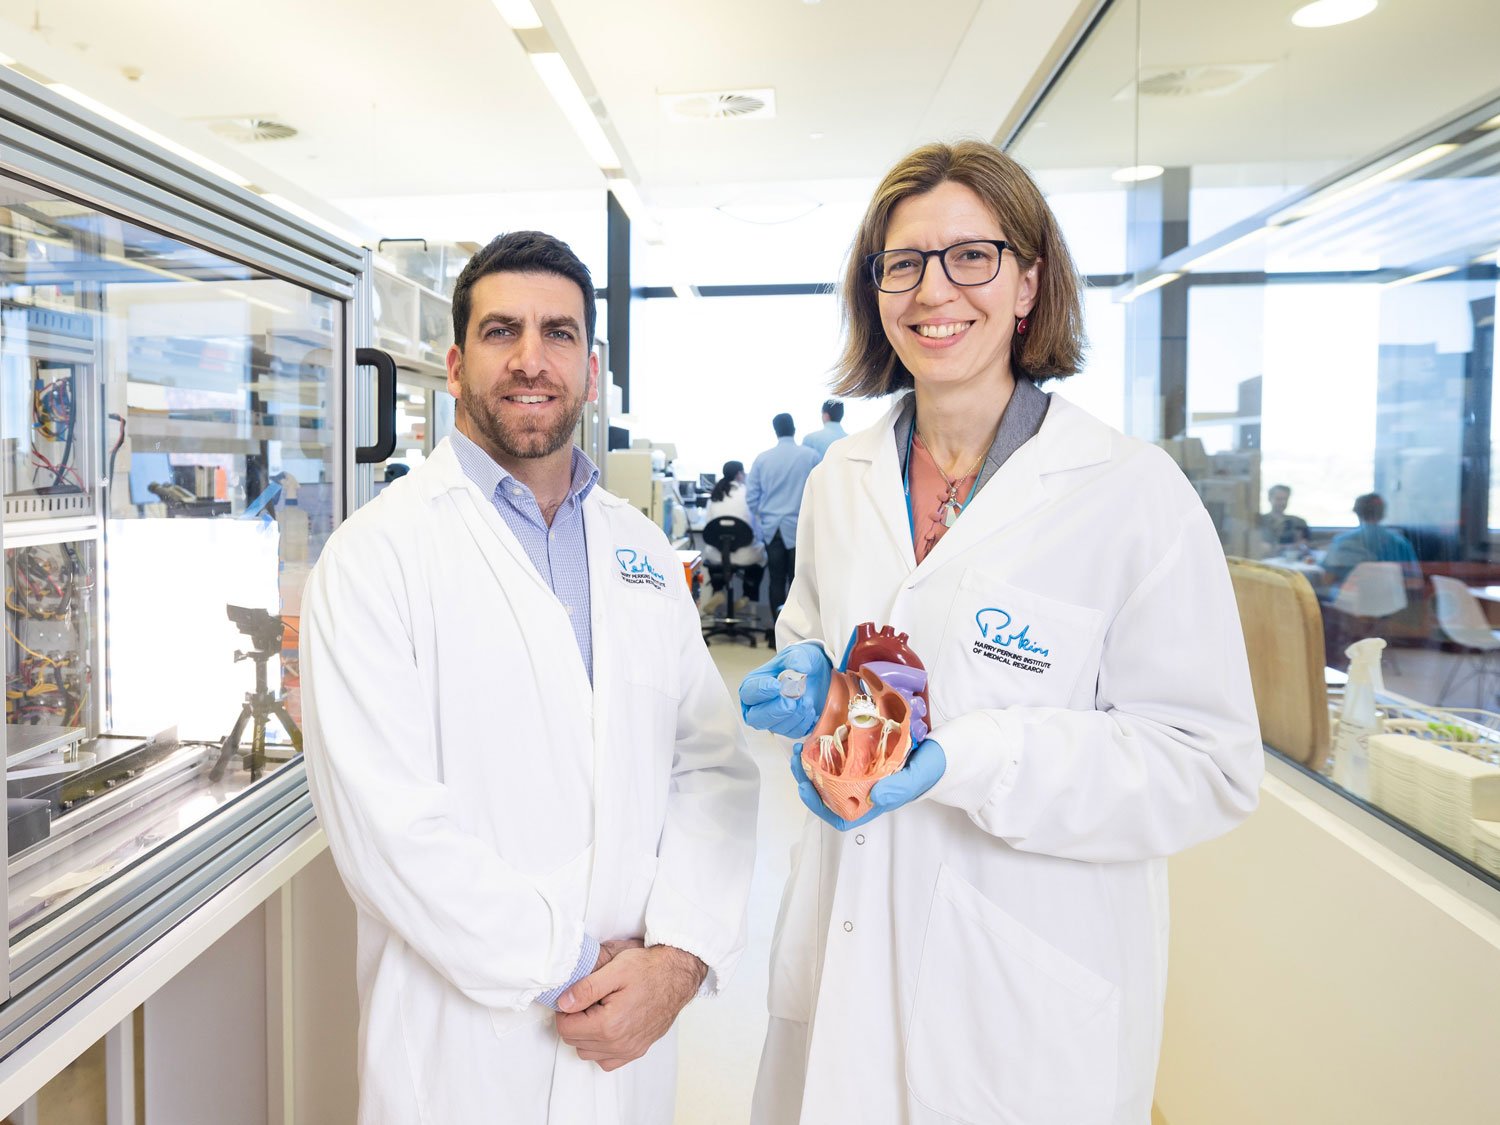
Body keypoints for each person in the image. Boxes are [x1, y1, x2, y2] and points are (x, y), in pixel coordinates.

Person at [738, 141, 1263, 1124]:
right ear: (877, 292)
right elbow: (814, 623)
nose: (935, 290)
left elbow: (1207, 763)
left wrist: (971, 758)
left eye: (971, 257)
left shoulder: (1127, 492)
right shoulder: (841, 480)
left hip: (1022, 991)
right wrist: (808, 666)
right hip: (848, 941)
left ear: (1028, 281)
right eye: (904, 263)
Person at [301, 230, 758, 1125]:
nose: (530, 359)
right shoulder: (375, 557)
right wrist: (576, 964)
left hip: (628, 1038)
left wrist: (676, 960)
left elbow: (710, 765)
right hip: (464, 1050)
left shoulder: (641, 553)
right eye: (501, 329)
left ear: (588, 366)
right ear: (455, 359)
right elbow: (388, 830)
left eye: (557, 333)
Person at [745, 413, 821, 643]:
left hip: (773, 529)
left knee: (775, 580)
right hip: (800, 528)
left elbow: (751, 497)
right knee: (800, 582)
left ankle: (774, 634)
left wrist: (764, 517)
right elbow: (822, 491)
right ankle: (796, 637)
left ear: (775, 430)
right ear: (794, 429)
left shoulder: (762, 459)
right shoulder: (811, 456)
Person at [701, 459, 766, 610]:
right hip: (746, 555)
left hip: (717, 555)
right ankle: (747, 596)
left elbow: (709, 526)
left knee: (712, 556)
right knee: (762, 557)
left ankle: (718, 591)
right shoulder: (749, 494)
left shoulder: (715, 495)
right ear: (739, 475)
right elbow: (757, 527)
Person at [1322, 491, 1420, 589]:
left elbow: (1327, 580)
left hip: (1350, 602)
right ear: (1383, 513)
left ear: (1357, 512)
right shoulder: (1401, 543)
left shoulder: (1343, 541)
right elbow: (1416, 581)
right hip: (1393, 603)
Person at [1259, 483, 1310, 551]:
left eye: (1285, 499)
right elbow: (1260, 546)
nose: (1283, 503)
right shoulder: (1259, 521)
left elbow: (1303, 545)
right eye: (1279, 499)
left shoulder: (1299, 522)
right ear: (1269, 499)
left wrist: (1275, 548)